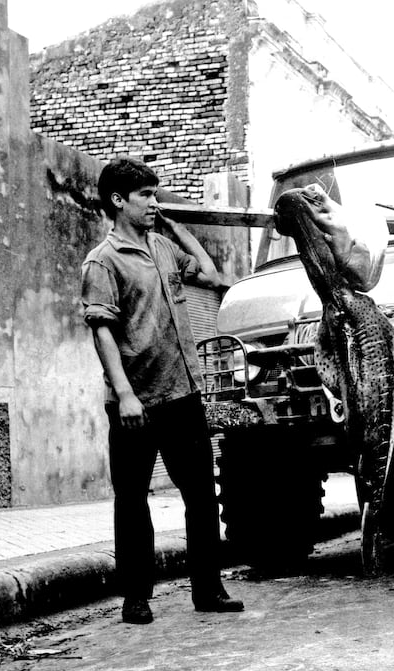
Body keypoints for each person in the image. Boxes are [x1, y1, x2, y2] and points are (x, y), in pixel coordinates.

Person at [81, 157, 243, 624]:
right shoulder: (102, 261)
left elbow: (211, 276)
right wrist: (125, 395)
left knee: (200, 496)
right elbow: (103, 332)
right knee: (132, 501)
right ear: (118, 201)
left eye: (156, 194)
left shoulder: (163, 247)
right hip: (137, 401)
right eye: (146, 195)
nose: (154, 202)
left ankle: (208, 590)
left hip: (183, 394)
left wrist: (174, 227)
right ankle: (136, 598)